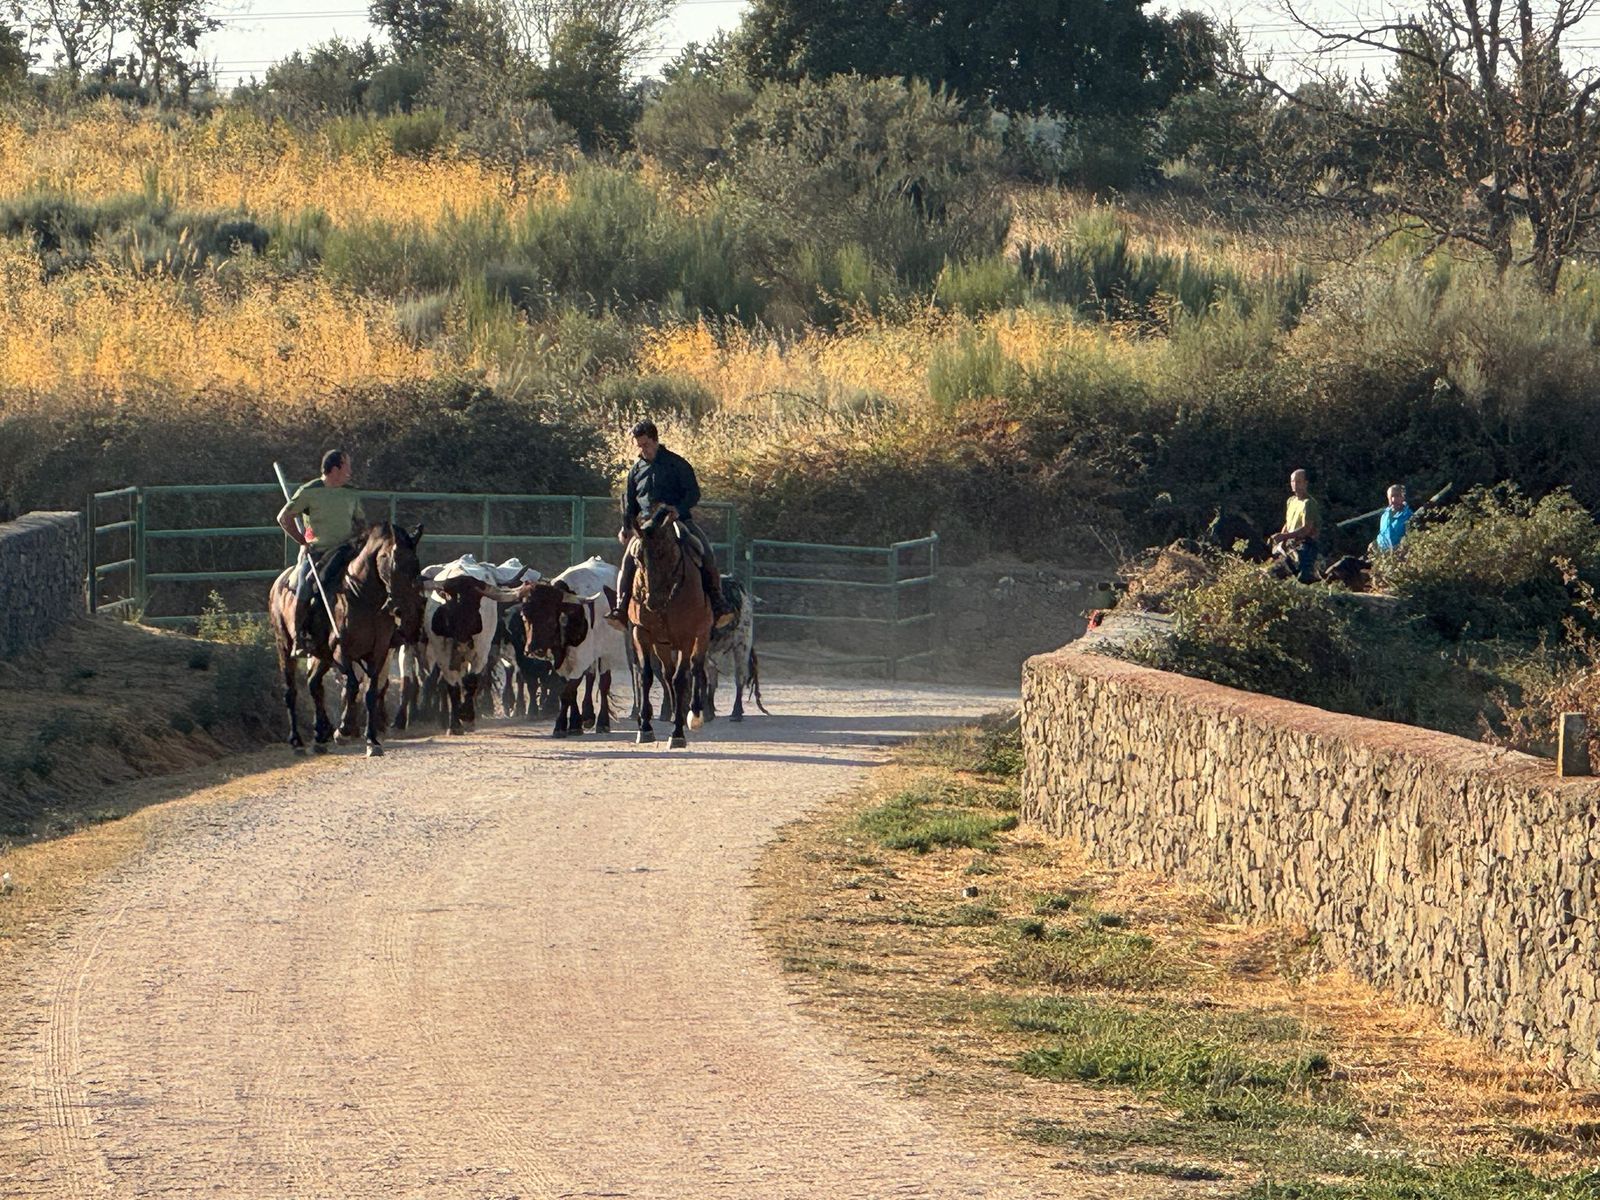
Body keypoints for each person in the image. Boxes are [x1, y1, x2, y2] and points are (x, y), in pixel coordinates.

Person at [606, 420, 734, 630]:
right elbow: (630, 502)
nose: (643, 450)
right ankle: (621, 608)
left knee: (704, 551)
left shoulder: (677, 464)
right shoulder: (636, 470)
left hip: (676, 521)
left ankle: (718, 603)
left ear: (655, 440)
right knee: (628, 560)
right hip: (646, 528)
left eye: (646, 445)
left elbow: (693, 493)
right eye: (639, 446)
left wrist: (679, 509)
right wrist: (626, 527)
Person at [276, 449, 367, 654]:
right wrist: (303, 542)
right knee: (305, 585)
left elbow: (360, 522)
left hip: (346, 551)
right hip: (317, 552)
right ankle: (299, 636)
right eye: (347, 466)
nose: (350, 471)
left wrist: (360, 539)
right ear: (334, 469)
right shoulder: (309, 491)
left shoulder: (350, 493)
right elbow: (284, 518)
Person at [1268, 468, 1322, 584]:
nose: (1295, 484)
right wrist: (1280, 539)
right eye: (1293, 481)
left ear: (1305, 483)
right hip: (1290, 543)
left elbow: (1306, 529)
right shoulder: (1291, 501)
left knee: (1302, 577)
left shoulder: (1309, 503)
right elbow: (1288, 523)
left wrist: (1284, 536)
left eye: (1298, 481)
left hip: (1305, 545)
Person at [1374, 483, 1412, 554]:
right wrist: (1375, 544)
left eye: (1397, 496)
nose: (1393, 499)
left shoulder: (1409, 516)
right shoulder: (1384, 516)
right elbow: (1382, 534)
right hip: (1383, 556)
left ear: (1403, 497)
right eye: (1391, 496)